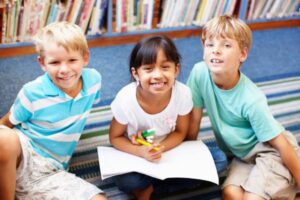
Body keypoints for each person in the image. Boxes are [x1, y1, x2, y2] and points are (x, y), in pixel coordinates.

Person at [187, 15, 300, 200]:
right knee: (231, 194)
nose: (216, 50)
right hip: (242, 156)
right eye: (210, 44)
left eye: (226, 45)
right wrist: (185, 152)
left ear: (243, 54)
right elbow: (194, 118)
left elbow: (281, 144)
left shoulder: (252, 99)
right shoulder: (199, 73)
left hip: (271, 151)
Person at [109, 35, 227, 200]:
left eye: (165, 67)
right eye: (148, 69)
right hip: (137, 155)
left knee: (219, 160)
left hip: (169, 150)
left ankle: (148, 189)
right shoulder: (125, 99)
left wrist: (161, 148)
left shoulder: (183, 93)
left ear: (176, 70)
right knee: (126, 179)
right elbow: (114, 137)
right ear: (135, 73)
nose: (157, 75)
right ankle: (152, 186)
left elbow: (180, 132)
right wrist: (140, 152)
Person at [0, 22, 106, 200]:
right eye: (55, 62)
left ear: (85, 58)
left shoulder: (94, 81)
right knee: (4, 138)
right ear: (42, 63)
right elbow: (5, 123)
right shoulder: (32, 92)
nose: (64, 70)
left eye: (72, 60)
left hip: (51, 172)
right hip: (21, 154)